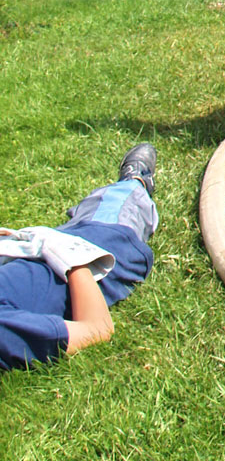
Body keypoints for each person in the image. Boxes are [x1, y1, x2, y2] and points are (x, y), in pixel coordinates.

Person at [0, 144, 159, 370]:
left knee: (89, 210)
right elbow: (97, 329)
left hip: (36, 249)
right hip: (98, 248)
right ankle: (138, 179)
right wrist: (68, 256)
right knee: (119, 199)